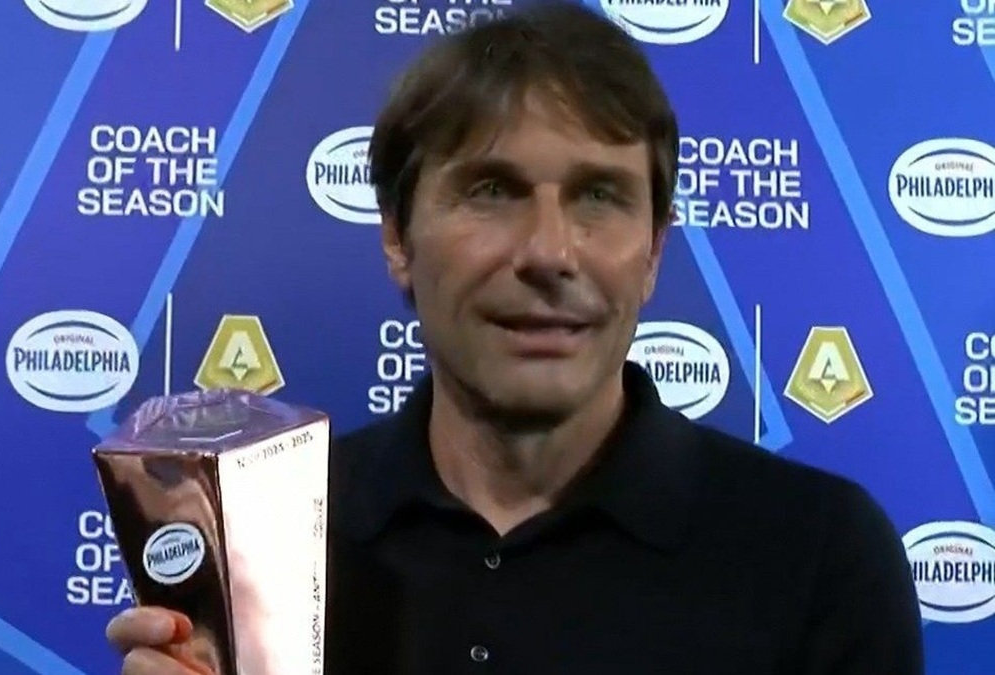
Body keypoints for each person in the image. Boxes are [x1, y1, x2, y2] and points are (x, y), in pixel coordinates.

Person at [106, 1, 925, 673]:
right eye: (492, 190)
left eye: (599, 195)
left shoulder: (819, 552)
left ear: (653, 252)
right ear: (397, 237)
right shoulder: (267, 544)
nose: (549, 253)